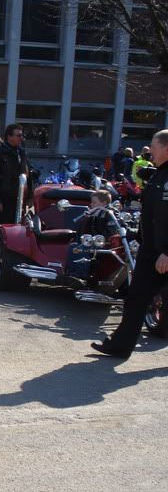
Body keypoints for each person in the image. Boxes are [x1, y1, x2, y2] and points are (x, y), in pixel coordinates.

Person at [92, 129, 168, 359]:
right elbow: (153, 215)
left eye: (154, 147)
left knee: (140, 298)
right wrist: (138, 236)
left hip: (162, 253)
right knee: (136, 298)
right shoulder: (159, 174)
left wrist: (167, 252)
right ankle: (120, 346)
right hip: (151, 249)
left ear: (166, 148)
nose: (150, 151)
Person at [0, 124, 28, 225]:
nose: (21, 138)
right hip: (4, 199)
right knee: (3, 230)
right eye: (18, 135)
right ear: (9, 137)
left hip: (18, 198)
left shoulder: (21, 153)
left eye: (21, 135)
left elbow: (25, 174)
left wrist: (29, 196)